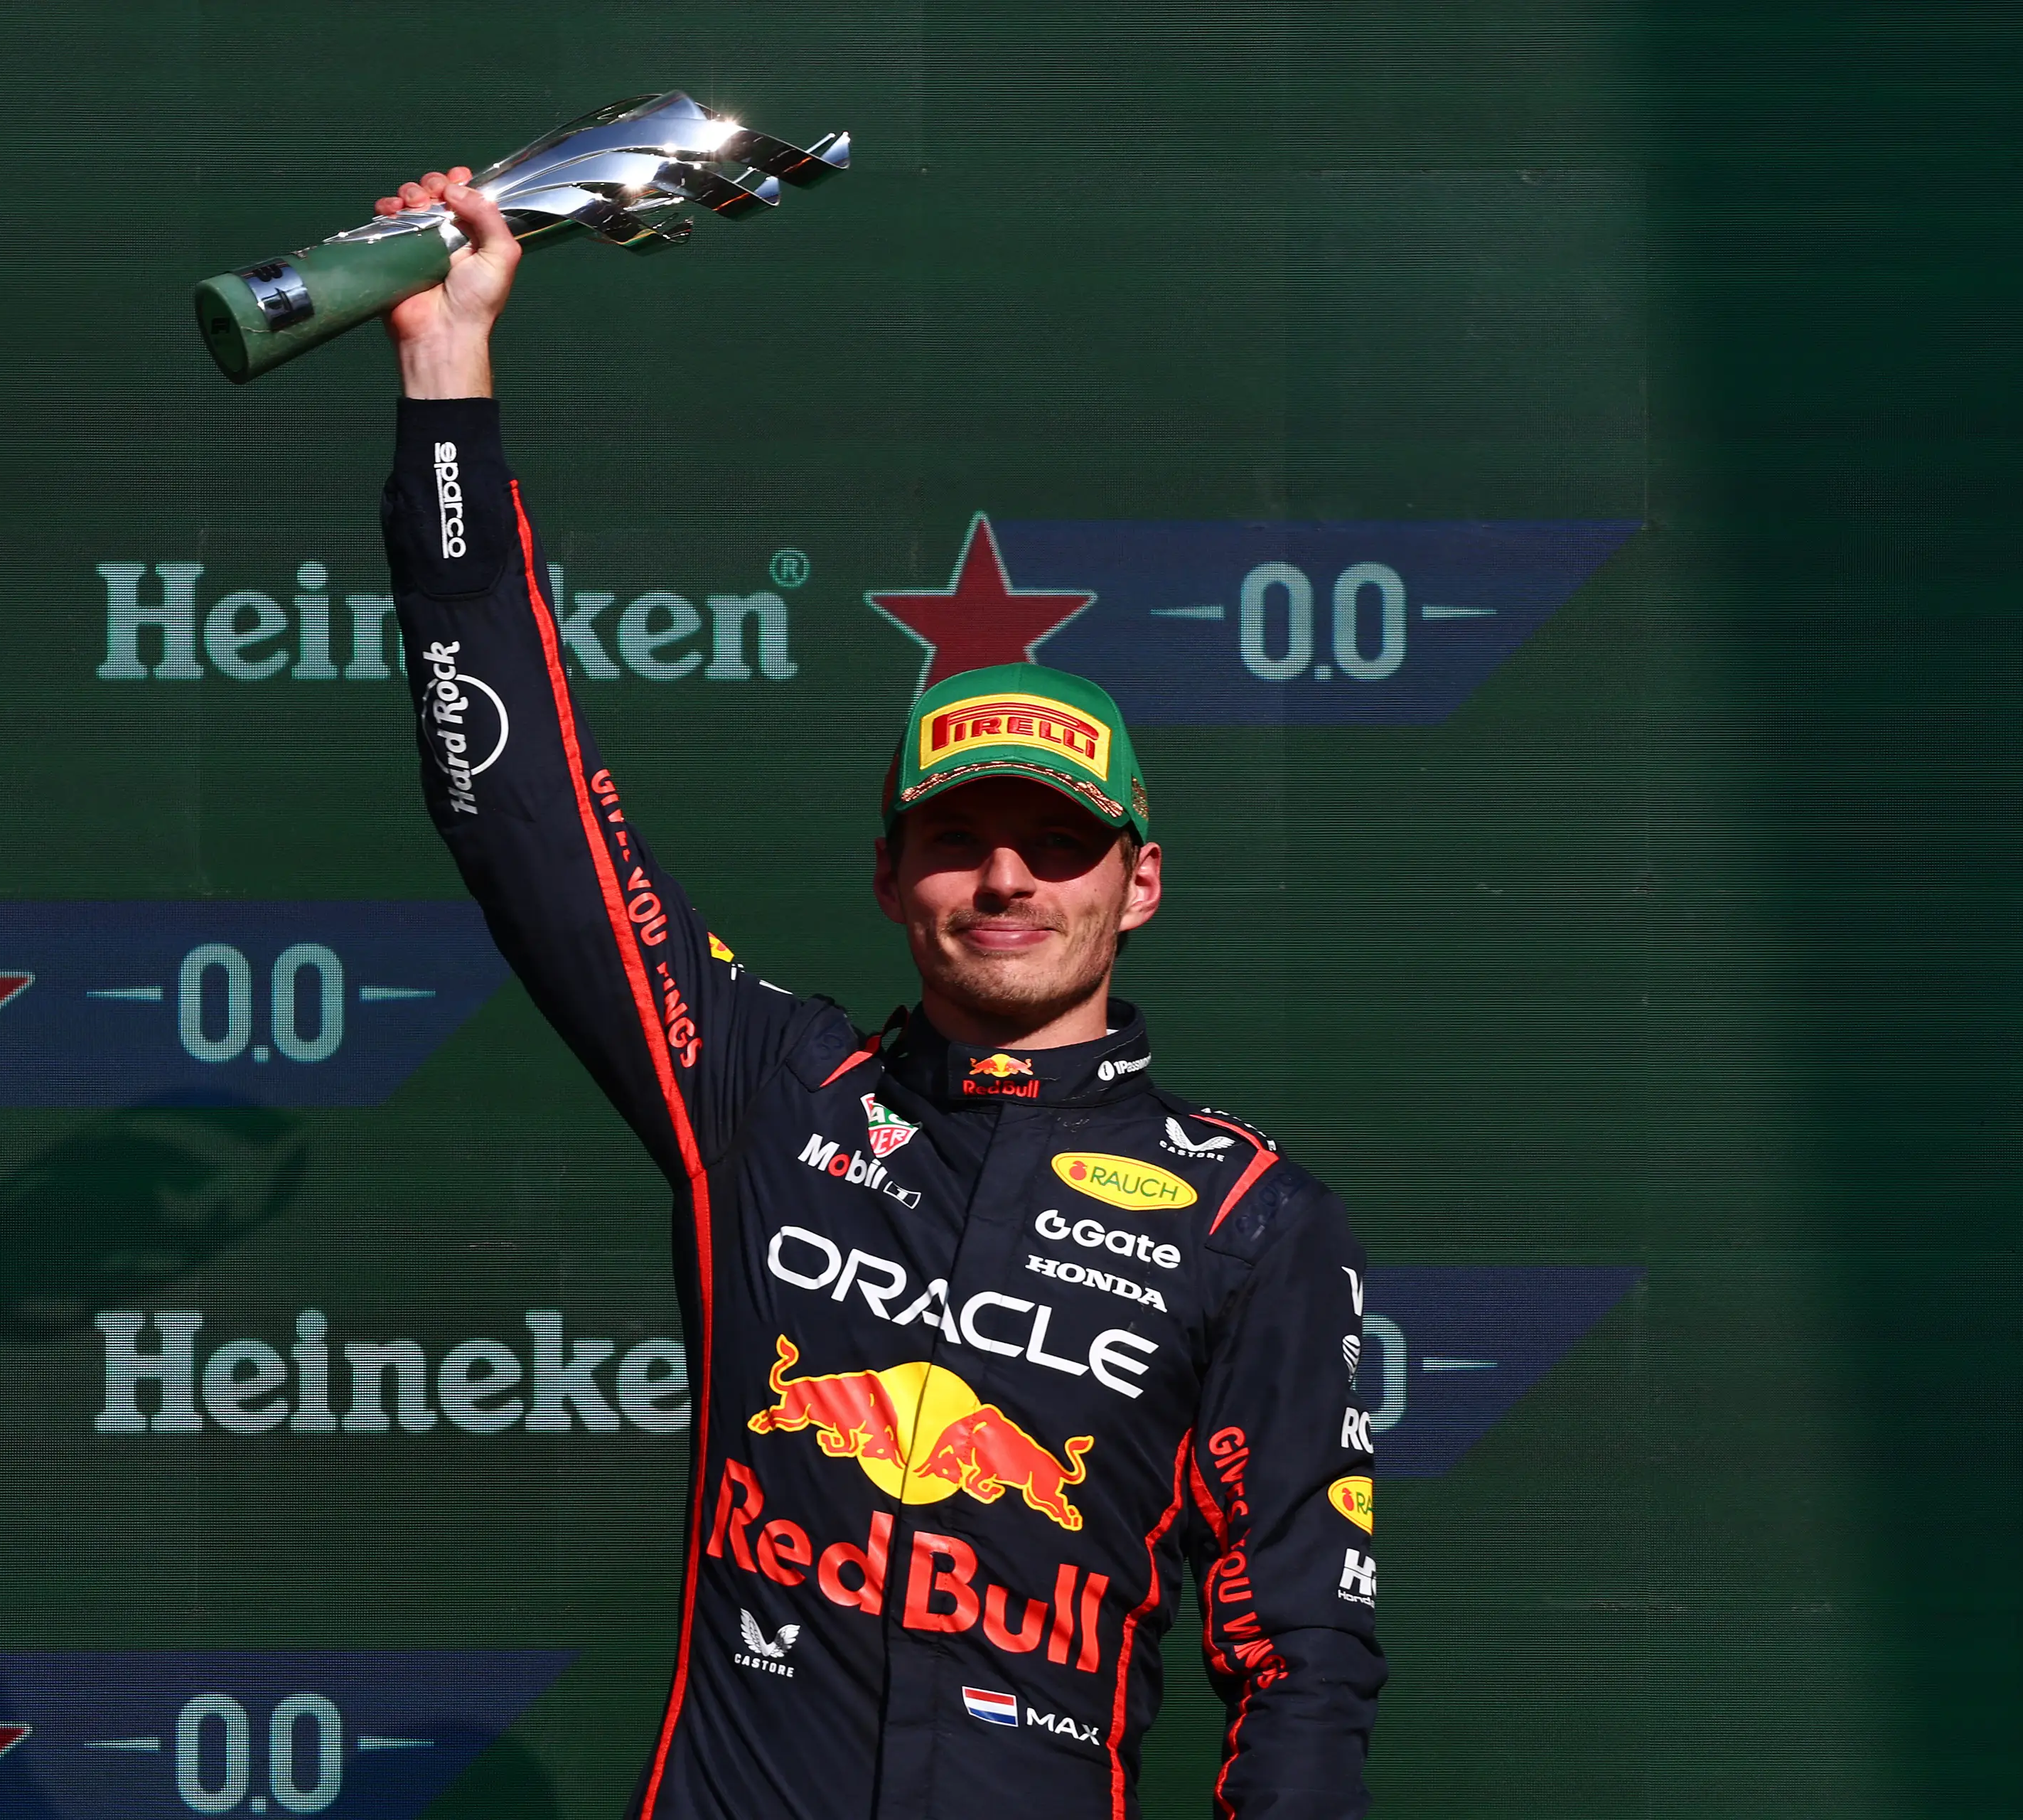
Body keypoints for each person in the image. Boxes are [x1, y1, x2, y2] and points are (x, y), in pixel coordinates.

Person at [372, 166, 1385, 1820]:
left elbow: (1302, 1658)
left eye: (1056, 845)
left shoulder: (1254, 1217)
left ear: (1138, 881)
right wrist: (445, 376)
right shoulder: (768, 1085)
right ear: (887, 874)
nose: (1005, 882)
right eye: (956, 840)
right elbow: (517, 807)